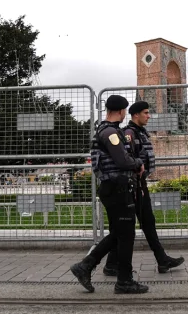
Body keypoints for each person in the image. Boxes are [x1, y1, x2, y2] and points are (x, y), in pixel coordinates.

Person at [70, 95, 148, 294]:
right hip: (116, 188)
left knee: (120, 233)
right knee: (125, 234)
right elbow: (122, 160)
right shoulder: (111, 132)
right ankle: (122, 281)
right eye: (125, 111)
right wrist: (138, 163)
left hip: (114, 188)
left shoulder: (106, 130)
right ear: (121, 111)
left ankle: (88, 266)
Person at [103, 100, 184, 276]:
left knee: (146, 222)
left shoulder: (140, 132)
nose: (148, 116)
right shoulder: (130, 133)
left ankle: (161, 260)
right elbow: (126, 159)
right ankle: (112, 264)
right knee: (126, 227)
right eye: (145, 113)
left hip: (139, 184)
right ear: (135, 115)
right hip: (133, 186)